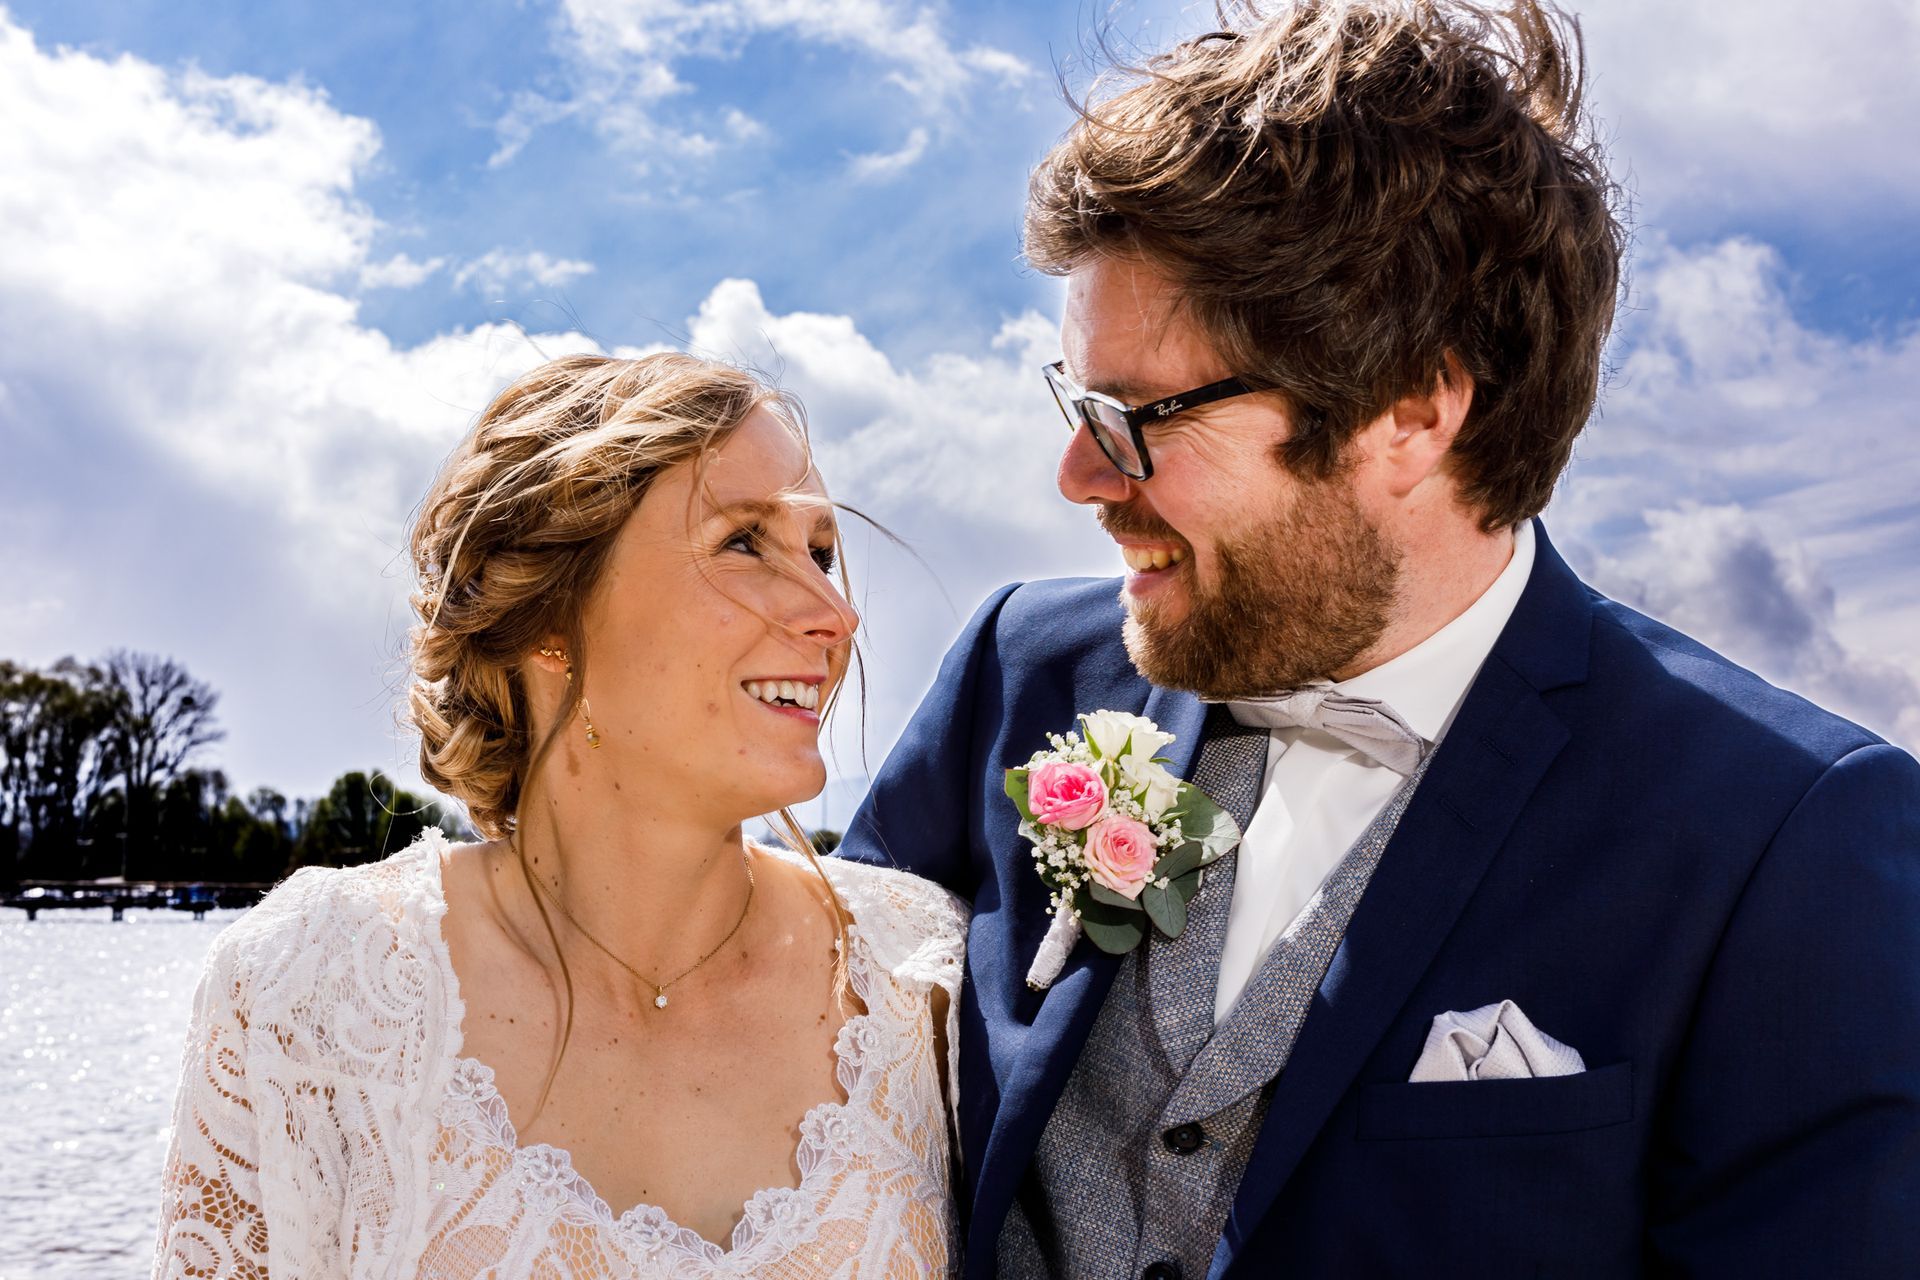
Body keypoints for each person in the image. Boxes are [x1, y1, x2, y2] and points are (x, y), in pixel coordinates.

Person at [839, 2, 1920, 1276]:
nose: (1077, 473)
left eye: (1138, 414)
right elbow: (784, 1058)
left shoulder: (1786, 836)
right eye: (1078, 399)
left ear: (1413, 411)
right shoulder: (1020, 673)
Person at [152, 353, 965, 1278]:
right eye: (744, 541)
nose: (837, 613)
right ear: (548, 612)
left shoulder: (922, 980)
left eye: (822, 551)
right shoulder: (312, 993)